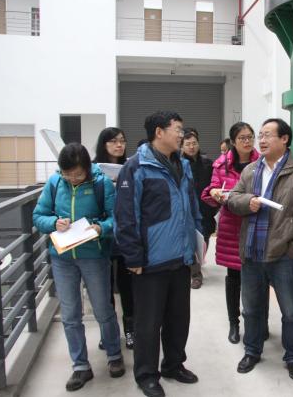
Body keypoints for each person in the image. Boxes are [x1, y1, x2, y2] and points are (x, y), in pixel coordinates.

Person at [114, 111, 202, 397]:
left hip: (181, 257)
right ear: (159, 132)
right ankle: (146, 375)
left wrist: (196, 243)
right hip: (151, 261)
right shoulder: (136, 167)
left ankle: (174, 365)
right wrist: (133, 257)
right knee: (148, 324)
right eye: (177, 129)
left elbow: (191, 208)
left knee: (179, 319)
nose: (182, 135)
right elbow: (125, 216)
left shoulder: (183, 165)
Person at [227, 118, 293, 381]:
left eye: (267, 135)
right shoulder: (250, 170)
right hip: (252, 252)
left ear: (284, 139)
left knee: (291, 311)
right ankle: (252, 351)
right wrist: (248, 202)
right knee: (251, 309)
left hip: (283, 255)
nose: (262, 140)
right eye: (261, 135)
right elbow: (233, 199)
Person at [33, 143, 125, 391]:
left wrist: (101, 228)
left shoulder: (101, 184)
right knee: (70, 315)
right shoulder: (54, 183)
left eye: (77, 174)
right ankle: (80, 366)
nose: (72, 179)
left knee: (103, 310)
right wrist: (54, 223)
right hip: (62, 258)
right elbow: (38, 216)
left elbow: (116, 218)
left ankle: (114, 355)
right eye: (67, 174)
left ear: (87, 168)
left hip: (93, 256)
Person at [201, 122, 269, 344]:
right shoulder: (221, 165)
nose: (247, 142)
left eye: (250, 137)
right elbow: (212, 190)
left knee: (260, 279)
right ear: (233, 141)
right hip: (232, 226)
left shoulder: (263, 162)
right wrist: (215, 193)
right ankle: (234, 323)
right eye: (242, 138)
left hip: (257, 224)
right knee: (234, 278)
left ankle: (261, 323)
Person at [93, 127, 134, 350]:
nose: (119, 145)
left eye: (122, 141)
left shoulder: (130, 167)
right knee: (104, 289)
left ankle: (130, 330)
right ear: (103, 144)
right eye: (113, 141)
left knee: (128, 287)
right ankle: (108, 334)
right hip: (101, 235)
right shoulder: (92, 170)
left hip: (126, 234)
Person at [181, 127, 218, 289]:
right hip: (187, 208)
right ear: (182, 146)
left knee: (204, 237)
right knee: (190, 239)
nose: (191, 147)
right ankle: (195, 273)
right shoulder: (178, 164)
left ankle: (197, 264)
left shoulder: (208, 164)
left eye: (194, 143)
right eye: (187, 144)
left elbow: (214, 183)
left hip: (205, 207)